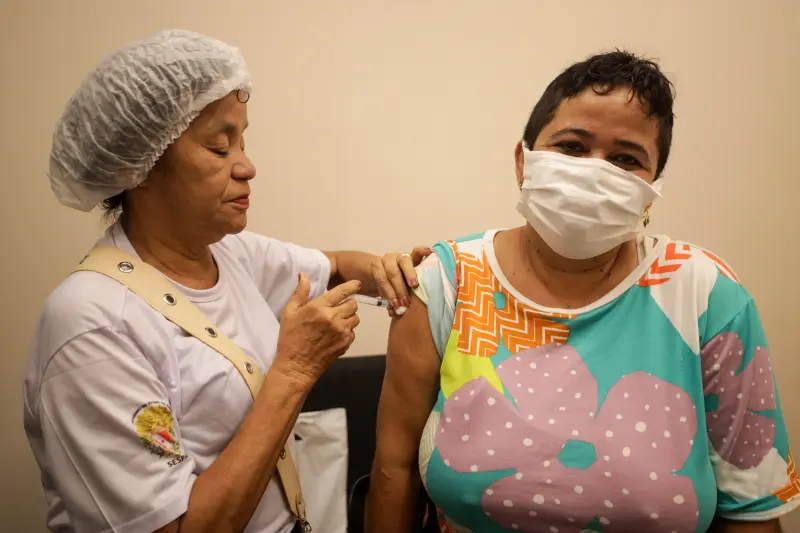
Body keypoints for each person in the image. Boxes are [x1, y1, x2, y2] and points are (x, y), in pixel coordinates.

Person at [367, 51, 799, 533]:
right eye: (571, 147)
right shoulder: (445, 283)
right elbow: (393, 472)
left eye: (625, 159)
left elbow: (751, 509)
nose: (595, 172)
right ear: (522, 161)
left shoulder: (705, 292)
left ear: (652, 187)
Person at [23, 30, 426, 533]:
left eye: (242, 140)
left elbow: (337, 267)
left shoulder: (228, 253)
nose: (248, 166)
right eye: (219, 147)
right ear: (139, 168)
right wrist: (294, 370)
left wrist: (386, 270)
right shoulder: (91, 326)